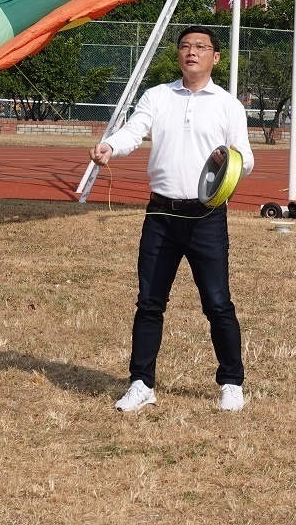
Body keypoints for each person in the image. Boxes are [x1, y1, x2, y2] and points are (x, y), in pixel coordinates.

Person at [90, 25, 255, 413]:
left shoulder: (228, 105)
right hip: (161, 213)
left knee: (217, 303)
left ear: (215, 57)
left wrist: (229, 160)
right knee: (149, 302)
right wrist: (110, 146)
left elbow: (246, 157)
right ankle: (141, 383)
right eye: (184, 46)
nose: (191, 52)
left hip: (207, 217)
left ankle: (231, 382)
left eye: (200, 47)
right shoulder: (158, 96)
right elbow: (134, 130)